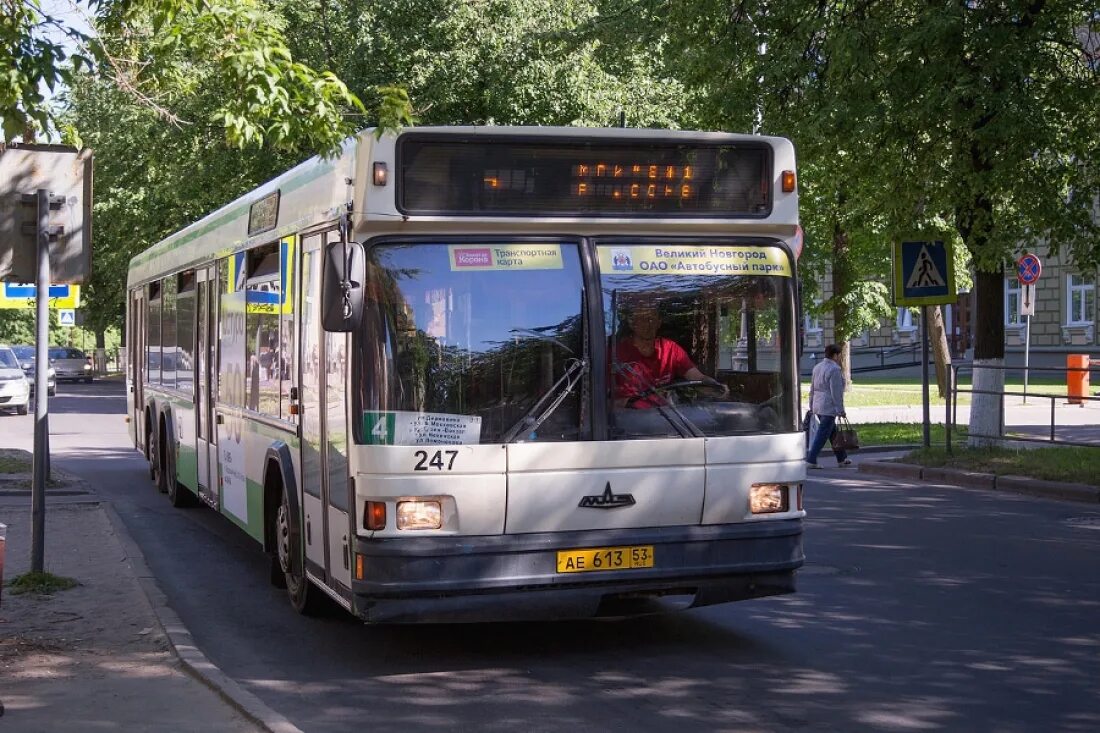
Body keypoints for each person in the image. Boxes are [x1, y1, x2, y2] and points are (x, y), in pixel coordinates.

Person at [614, 305, 728, 408]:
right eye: (642, 319)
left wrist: (714, 386)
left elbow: (696, 377)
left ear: (658, 323)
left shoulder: (670, 349)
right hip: (627, 421)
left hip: (667, 419)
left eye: (652, 319)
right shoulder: (615, 352)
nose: (648, 324)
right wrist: (624, 404)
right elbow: (600, 396)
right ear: (632, 323)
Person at [806, 343, 851, 468]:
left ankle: (842, 458)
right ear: (835, 355)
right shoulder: (834, 369)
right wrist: (840, 410)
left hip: (817, 404)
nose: (839, 357)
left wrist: (811, 404)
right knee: (822, 434)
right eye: (839, 355)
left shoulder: (817, 367)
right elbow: (836, 392)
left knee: (833, 432)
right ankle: (811, 460)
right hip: (828, 406)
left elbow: (812, 388)